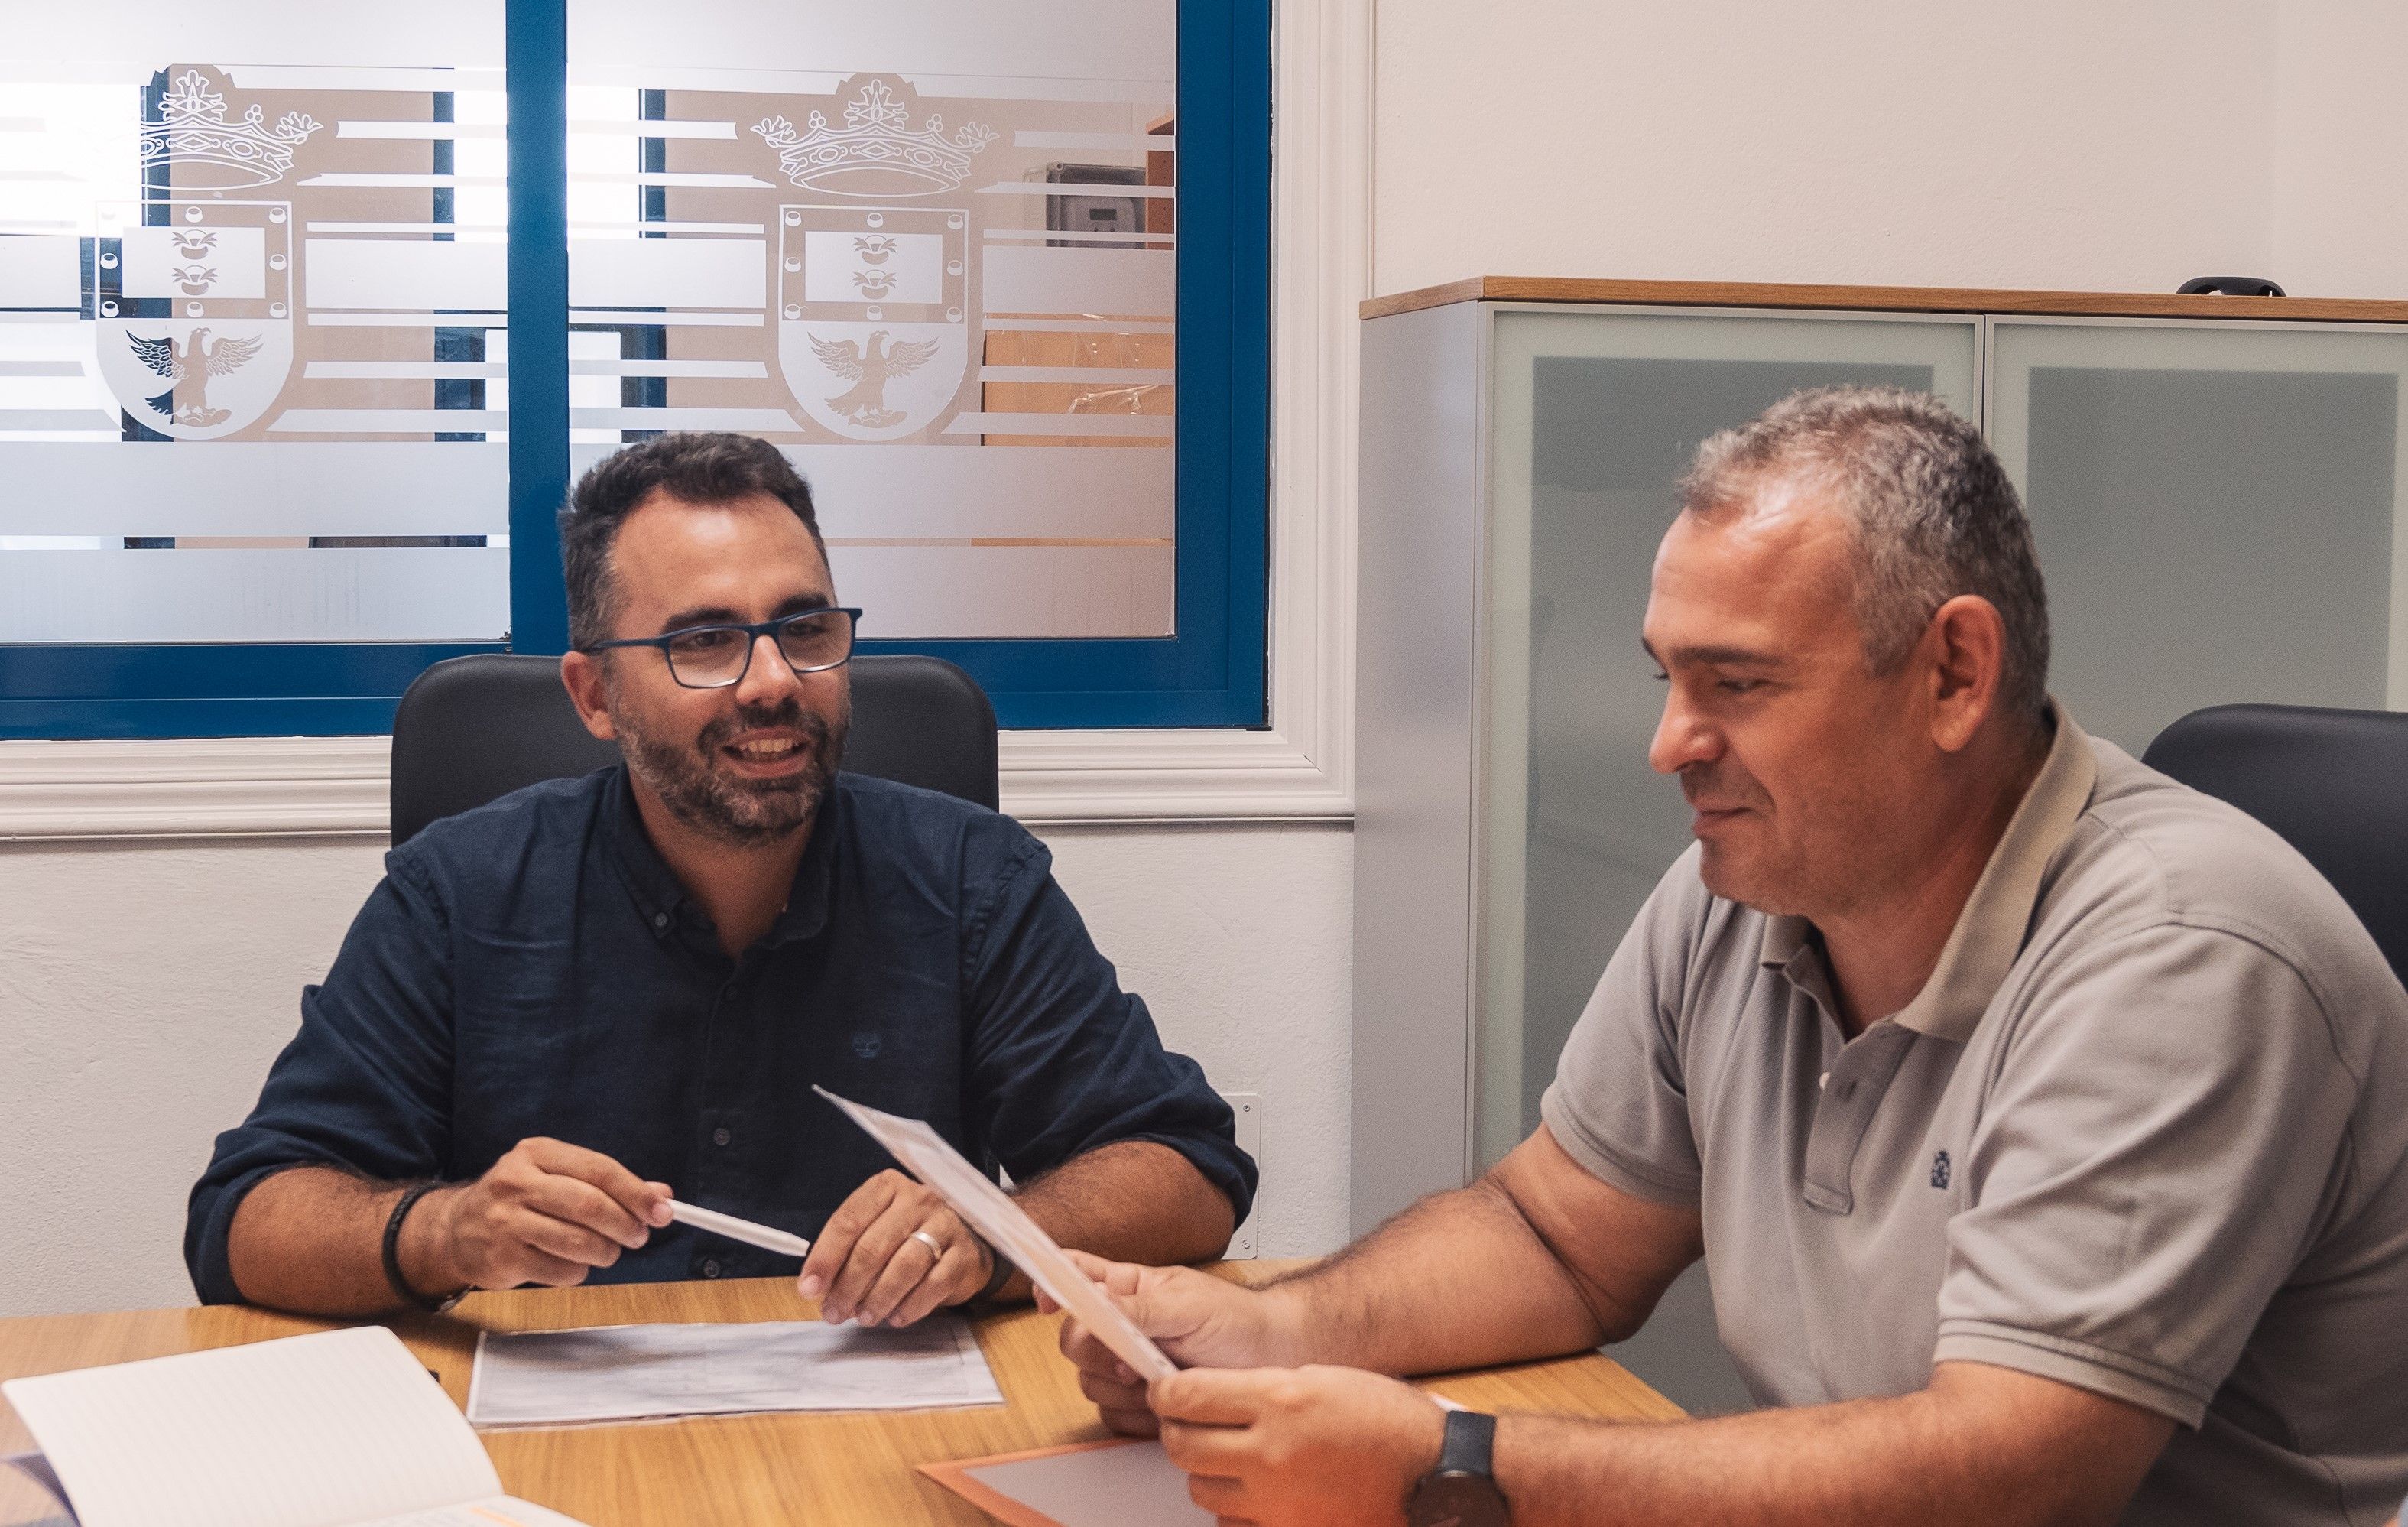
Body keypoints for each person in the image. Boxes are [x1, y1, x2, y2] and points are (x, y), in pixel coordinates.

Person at [1050, 388, 2408, 1525]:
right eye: (1667, 679)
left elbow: (2017, 1470)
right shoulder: (1749, 885)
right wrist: (1276, 1330)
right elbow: (1557, 1232)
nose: (1672, 745)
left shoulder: (2182, 953)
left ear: (1952, 674)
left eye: (1738, 685)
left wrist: (1450, 1464)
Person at [188, 430, 1254, 1327]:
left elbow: (1185, 1167)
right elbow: (243, 1220)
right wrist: (443, 1229)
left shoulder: (970, 878)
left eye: (803, 628)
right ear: (596, 694)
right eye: (703, 641)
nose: (774, 682)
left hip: (885, 1435)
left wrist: (990, 1226)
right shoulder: (458, 895)